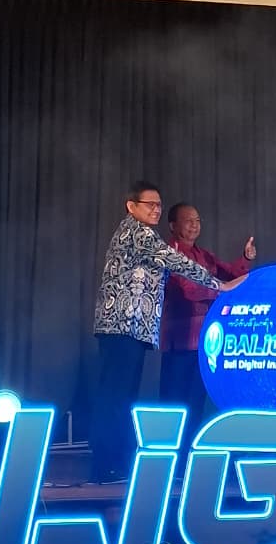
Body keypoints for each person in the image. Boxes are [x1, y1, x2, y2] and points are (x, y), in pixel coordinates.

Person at [91, 181, 246, 481]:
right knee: (116, 396)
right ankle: (105, 465)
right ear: (131, 206)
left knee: (120, 395)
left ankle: (111, 463)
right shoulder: (139, 233)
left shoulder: (140, 233)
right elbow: (176, 262)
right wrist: (220, 286)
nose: (156, 210)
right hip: (122, 326)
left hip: (130, 329)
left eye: (159, 205)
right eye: (149, 204)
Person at [160, 202, 256, 426]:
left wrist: (245, 258)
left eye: (197, 221)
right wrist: (221, 289)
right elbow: (190, 289)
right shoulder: (169, 253)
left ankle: (190, 444)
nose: (194, 225)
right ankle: (171, 445)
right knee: (175, 401)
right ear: (173, 225)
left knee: (196, 400)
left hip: (203, 339)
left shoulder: (203, 254)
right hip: (180, 339)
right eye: (188, 221)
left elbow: (230, 274)